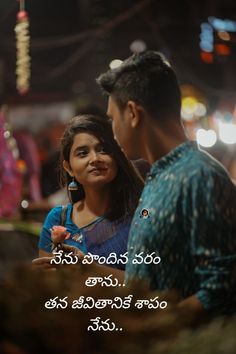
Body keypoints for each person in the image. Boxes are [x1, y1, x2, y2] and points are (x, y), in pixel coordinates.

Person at [96, 50, 236, 318]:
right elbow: (147, 279)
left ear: (134, 113)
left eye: (113, 119)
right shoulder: (160, 176)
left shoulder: (199, 177)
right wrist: (84, 265)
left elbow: (222, 289)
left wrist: (157, 325)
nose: (113, 132)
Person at [38, 114, 144, 269]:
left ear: (117, 157)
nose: (95, 158)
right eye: (82, 153)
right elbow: (49, 285)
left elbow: (149, 283)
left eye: (103, 150)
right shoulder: (57, 220)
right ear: (69, 168)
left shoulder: (142, 213)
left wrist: (90, 268)